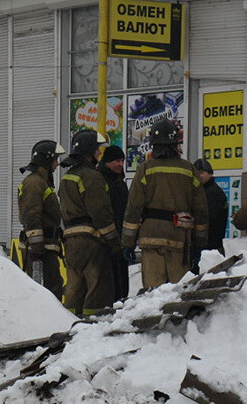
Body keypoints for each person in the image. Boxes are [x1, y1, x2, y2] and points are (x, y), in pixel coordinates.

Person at [121, 119, 208, 291]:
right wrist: (199, 244)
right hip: (179, 239)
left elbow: (133, 208)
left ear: (153, 143)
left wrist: (128, 242)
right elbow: (201, 210)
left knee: (154, 294)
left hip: (151, 237)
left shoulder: (145, 169)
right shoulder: (189, 170)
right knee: (178, 292)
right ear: (176, 143)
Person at [57, 129, 118, 315]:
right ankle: (94, 325)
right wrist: (113, 240)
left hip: (71, 242)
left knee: (75, 288)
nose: (100, 153)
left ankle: (70, 321)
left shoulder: (67, 176)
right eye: (97, 149)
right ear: (89, 151)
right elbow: (100, 211)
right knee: (97, 287)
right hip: (91, 241)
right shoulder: (92, 177)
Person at [16, 139, 65, 299]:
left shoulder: (41, 182)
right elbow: (32, 215)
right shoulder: (35, 183)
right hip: (40, 251)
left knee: (53, 287)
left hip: (46, 247)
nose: (57, 164)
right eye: (55, 160)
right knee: (47, 291)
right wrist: (37, 248)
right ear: (46, 159)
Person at [96, 144, 131, 303]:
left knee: (121, 278)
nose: (120, 164)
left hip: (120, 238)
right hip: (106, 240)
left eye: (122, 161)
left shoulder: (121, 183)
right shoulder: (100, 181)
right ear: (107, 162)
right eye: (116, 160)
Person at [193, 157, 227, 262]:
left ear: (210, 173)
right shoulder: (200, 191)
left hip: (210, 246)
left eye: (202, 172)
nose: (198, 175)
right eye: (196, 173)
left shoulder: (214, 193)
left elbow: (208, 218)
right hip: (203, 244)